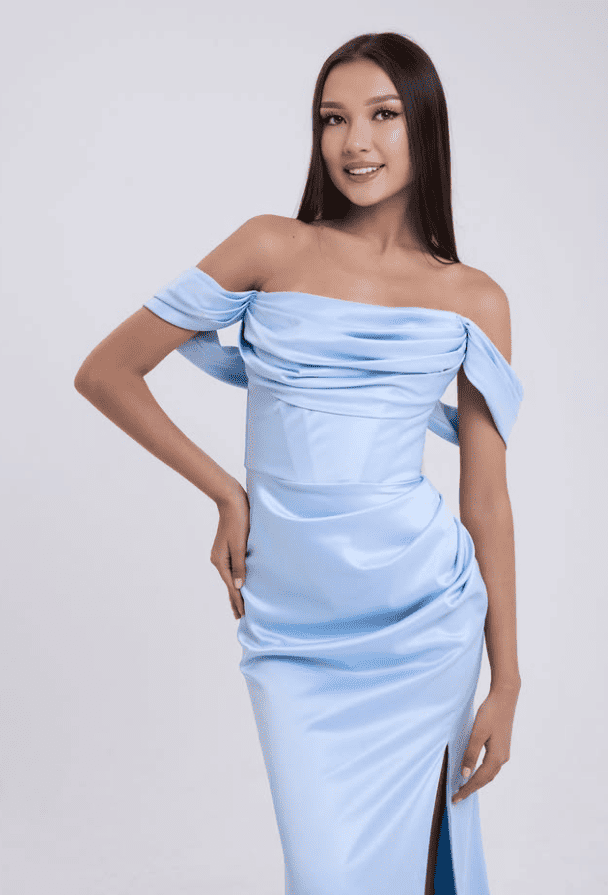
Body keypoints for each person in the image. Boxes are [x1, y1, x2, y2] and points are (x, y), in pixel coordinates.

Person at [74, 30, 524, 895]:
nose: (355, 142)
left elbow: (487, 503)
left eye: (382, 115)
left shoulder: (473, 298)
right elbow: (107, 372)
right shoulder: (270, 246)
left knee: (415, 865)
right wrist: (226, 493)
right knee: (324, 873)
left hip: (421, 620)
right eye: (332, 119)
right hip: (294, 624)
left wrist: (506, 679)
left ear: (423, 125)